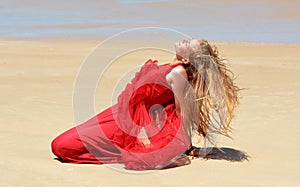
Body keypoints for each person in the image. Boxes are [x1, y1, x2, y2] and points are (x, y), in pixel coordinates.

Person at [51, 39, 239, 170]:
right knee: (62, 144)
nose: (184, 41)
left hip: (133, 125)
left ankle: (123, 150)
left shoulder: (178, 73)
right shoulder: (172, 66)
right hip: (118, 113)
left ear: (186, 59)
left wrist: (185, 146)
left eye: (189, 44)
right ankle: (117, 148)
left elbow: (181, 110)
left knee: (61, 146)